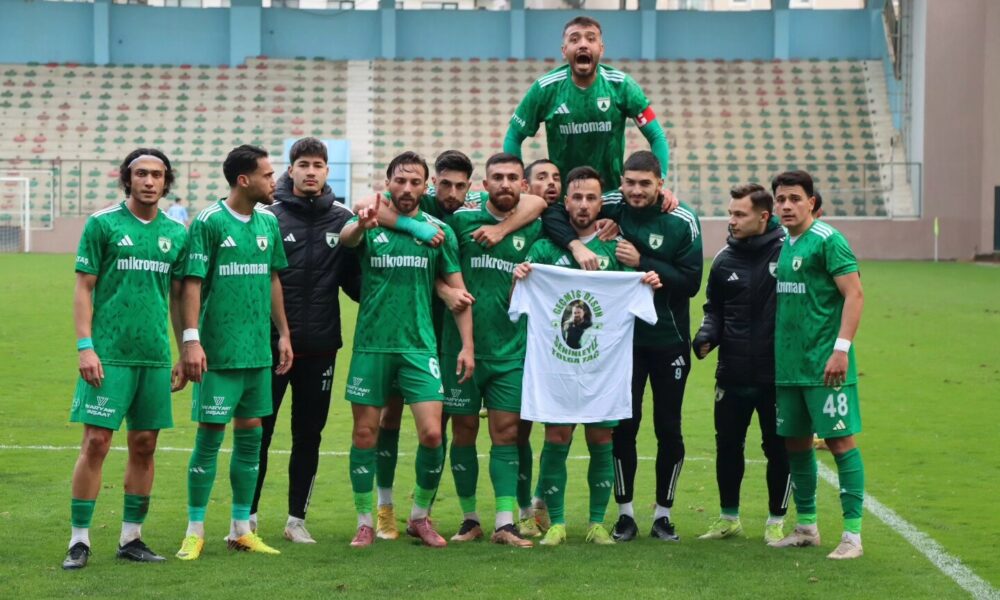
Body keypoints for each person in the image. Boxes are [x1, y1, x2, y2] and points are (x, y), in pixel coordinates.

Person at [542, 150, 702, 542]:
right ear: (621, 183)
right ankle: (625, 514)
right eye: (630, 182)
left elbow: (691, 283)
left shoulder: (682, 220)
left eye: (645, 183)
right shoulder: (611, 202)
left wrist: (643, 260)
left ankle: (663, 515)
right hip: (621, 344)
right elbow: (554, 213)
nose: (636, 190)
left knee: (668, 428)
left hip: (669, 341)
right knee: (623, 427)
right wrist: (578, 245)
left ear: (660, 184)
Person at [513, 165, 661, 546]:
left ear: (601, 203)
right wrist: (522, 276)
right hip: (556, 368)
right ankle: (557, 523)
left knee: (600, 438)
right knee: (556, 436)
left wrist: (646, 280)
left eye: (591, 197)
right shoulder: (544, 250)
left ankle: (597, 523)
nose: (583, 204)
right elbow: (519, 302)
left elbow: (641, 298)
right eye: (576, 197)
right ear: (565, 202)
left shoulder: (616, 248)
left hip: (602, 369)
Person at [340, 151, 475, 548]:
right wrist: (359, 225)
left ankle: (419, 517)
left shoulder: (439, 232)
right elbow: (347, 238)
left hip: (419, 346)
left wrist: (467, 345)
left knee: (432, 434)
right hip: (372, 346)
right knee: (365, 433)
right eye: (400, 180)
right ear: (388, 182)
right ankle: (365, 521)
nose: (407, 188)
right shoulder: (370, 219)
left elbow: (459, 292)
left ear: (425, 185)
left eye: (415, 181)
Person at [62, 148, 188, 570]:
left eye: (157, 175)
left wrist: (184, 348)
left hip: (154, 356)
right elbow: (84, 287)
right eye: (141, 174)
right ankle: (79, 540)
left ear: (166, 182)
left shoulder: (177, 232)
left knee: (145, 443)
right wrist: (85, 347)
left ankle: (131, 538)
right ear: (127, 178)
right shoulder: (103, 224)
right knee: (96, 442)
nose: (149, 181)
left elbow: (178, 298)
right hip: (109, 354)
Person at [176, 145, 292, 560]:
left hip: (257, 352)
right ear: (244, 180)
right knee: (209, 438)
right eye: (267, 174)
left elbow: (273, 278)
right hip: (218, 353)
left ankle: (241, 529)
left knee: (251, 438)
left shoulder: (268, 222)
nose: (274, 180)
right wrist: (191, 340)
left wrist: (283, 333)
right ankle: (194, 531)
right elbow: (191, 283)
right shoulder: (209, 222)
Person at [249, 137, 361, 544]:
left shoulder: (344, 220)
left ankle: (296, 520)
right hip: (268, 347)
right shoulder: (267, 216)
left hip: (320, 348)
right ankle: (247, 517)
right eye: (303, 164)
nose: (311, 172)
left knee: (309, 435)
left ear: (328, 171)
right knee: (258, 433)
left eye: (318, 165)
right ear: (290, 169)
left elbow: (355, 283)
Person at [435, 152, 544, 547]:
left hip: (510, 350)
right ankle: (470, 519)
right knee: (463, 430)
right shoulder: (460, 223)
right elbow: (434, 269)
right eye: (497, 177)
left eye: (512, 177)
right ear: (484, 186)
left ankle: (504, 523)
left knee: (507, 433)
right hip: (459, 350)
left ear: (523, 185)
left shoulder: (536, 228)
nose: (505, 183)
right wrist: (445, 292)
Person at [767, 170, 866, 560]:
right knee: (796, 443)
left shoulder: (829, 240)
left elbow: (855, 295)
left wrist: (841, 350)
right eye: (781, 199)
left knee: (840, 442)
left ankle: (852, 535)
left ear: (811, 202)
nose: (787, 205)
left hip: (827, 365)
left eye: (795, 198)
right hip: (789, 365)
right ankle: (806, 527)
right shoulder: (785, 241)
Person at [692, 183, 790, 544]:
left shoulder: (788, 254)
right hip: (732, 373)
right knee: (728, 446)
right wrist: (707, 335)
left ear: (763, 217)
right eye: (730, 213)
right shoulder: (723, 260)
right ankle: (729, 518)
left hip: (776, 375)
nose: (731, 220)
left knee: (778, 449)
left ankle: (776, 520)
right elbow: (714, 309)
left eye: (739, 214)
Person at [504, 16, 670, 195]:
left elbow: (656, 136)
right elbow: (513, 137)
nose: (583, 44)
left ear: (601, 49)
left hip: (611, 197)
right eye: (574, 39)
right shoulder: (545, 88)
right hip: (565, 201)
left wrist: (660, 181)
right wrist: (518, 186)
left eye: (591, 39)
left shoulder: (622, 85)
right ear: (564, 50)